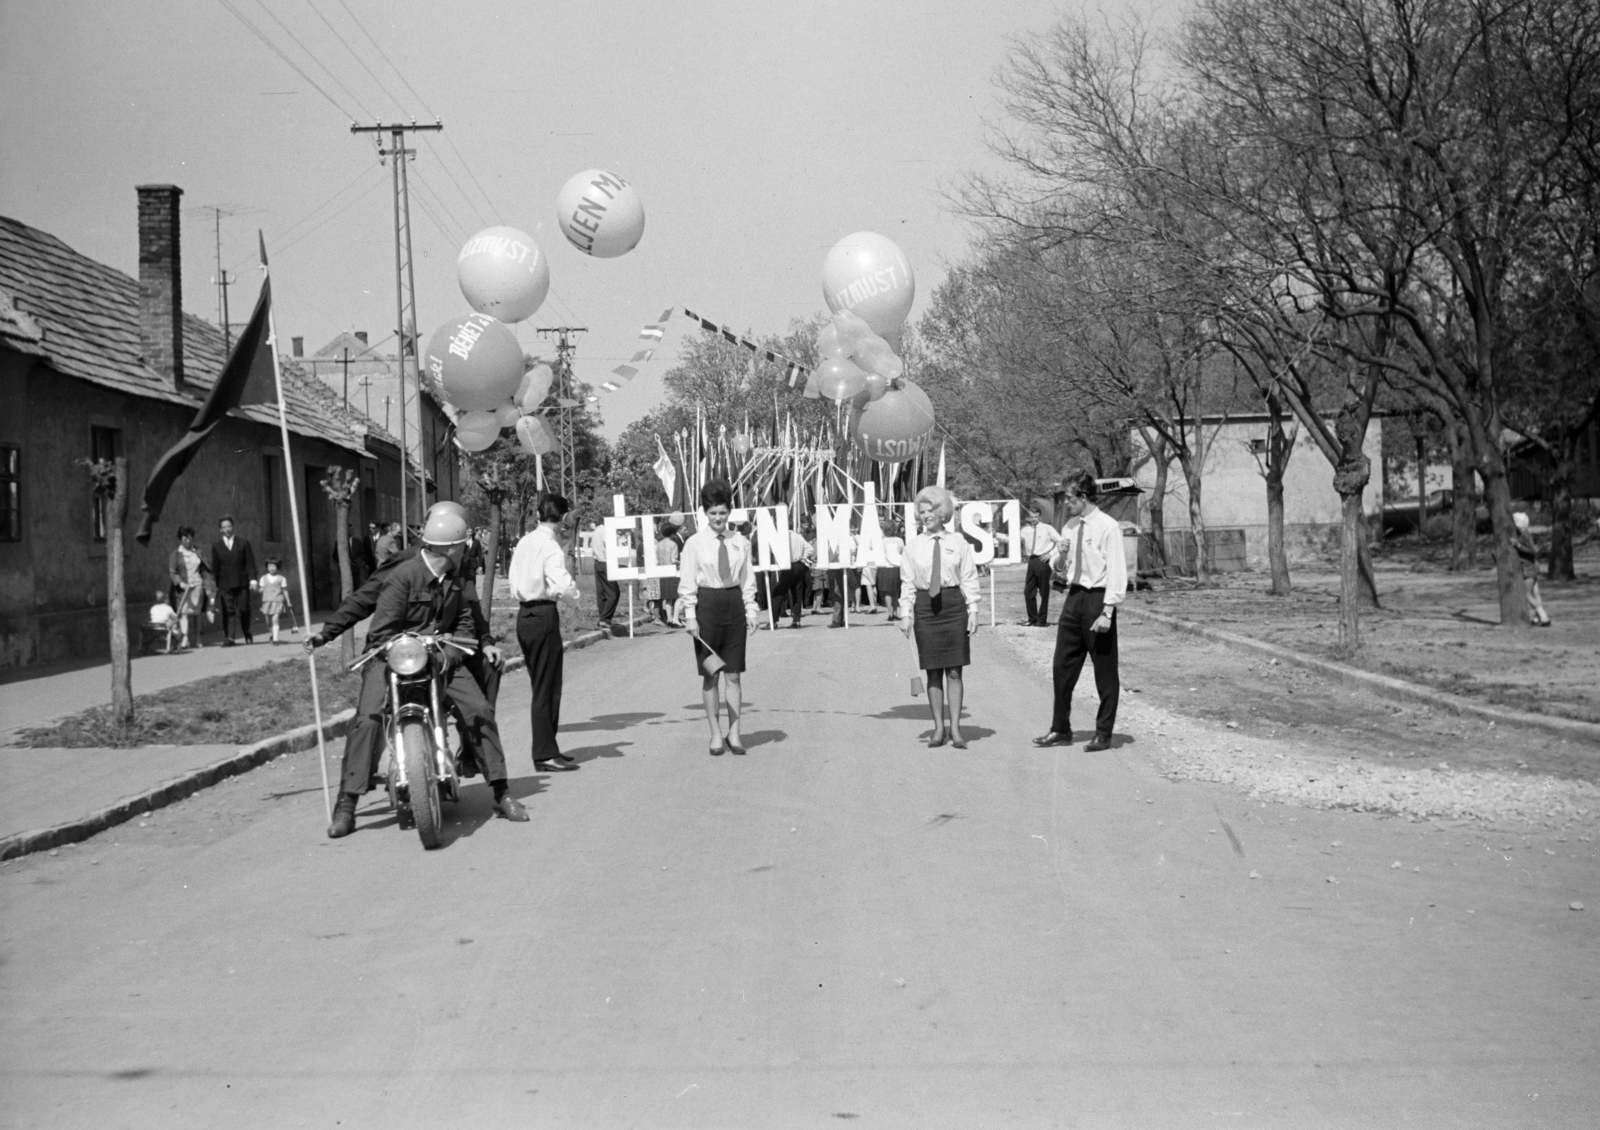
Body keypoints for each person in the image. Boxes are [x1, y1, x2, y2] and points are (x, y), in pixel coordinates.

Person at [310, 507, 526, 838]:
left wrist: (454, 652)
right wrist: (327, 633)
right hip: (393, 658)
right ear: (452, 545)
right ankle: (347, 803)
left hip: (440, 660)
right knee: (368, 719)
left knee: (479, 710)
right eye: (465, 542)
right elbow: (376, 623)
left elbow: (468, 619)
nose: (467, 547)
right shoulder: (402, 573)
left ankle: (501, 790)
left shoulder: (455, 577)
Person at [1034, 471, 1127, 753]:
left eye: (1069, 498)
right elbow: (1060, 569)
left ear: (1084, 497)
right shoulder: (1070, 527)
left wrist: (1108, 611)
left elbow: (1117, 571)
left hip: (1098, 600)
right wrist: (1060, 555)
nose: (1065, 504)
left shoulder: (1108, 527)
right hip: (1074, 598)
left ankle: (1103, 733)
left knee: (1104, 671)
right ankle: (1060, 729)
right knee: (1062, 666)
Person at [680, 479, 759, 755]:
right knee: (711, 675)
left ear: (729, 512)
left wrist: (751, 609)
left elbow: (747, 578)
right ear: (705, 512)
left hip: (733, 606)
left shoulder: (740, 542)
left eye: (722, 513)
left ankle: (734, 733)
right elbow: (688, 581)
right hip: (708, 609)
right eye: (713, 513)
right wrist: (690, 615)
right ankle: (715, 733)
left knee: (734, 676)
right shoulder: (694, 543)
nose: (718, 518)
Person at [899, 486, 981, 748]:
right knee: (933, 672)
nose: (925, 516)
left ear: (942, 512)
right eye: (921, 512)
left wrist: (974, 610)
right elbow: (907, 583)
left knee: (954, 672)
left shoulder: (958, 543)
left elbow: (969, 577)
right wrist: (906, 614)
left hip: (953, 606)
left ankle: (956, 730)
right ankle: (938, 729)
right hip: (925, 608)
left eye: (930, 511)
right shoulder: (913, 547)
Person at [508, 494, 583, 773]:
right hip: (543, 615)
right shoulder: (550, 546)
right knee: (546, 687)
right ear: (563, 518)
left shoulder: (526, 541)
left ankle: (549, 747)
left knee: (544, 684)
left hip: (525, 615)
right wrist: (575, 599)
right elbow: (562, 585)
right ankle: (544, 753)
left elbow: (517, 577)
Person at [209, 516, 258, 645]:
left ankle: (247, 632)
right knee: (228, 610)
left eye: (229, 526)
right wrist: (213, 587)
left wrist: (253, 579)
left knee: (243, 608)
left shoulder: (243, 542)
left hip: (241, 582)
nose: (227, 529)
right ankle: (230, 637)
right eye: (224, 527)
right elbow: (215, 568)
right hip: (225, 584)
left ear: (233, 527)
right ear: (220, 530)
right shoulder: (216, 546)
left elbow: (250, 563)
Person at [167, 526, 213, 649]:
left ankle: (198, 638)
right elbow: (173, 572)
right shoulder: (176, 554)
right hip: (183, 588)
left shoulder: (198, 552)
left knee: (196, 614)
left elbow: (205, 570)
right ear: (180, 539)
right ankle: (185, 638)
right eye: (184, 539)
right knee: (183, 613)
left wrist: (208, 586)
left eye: (189, 538)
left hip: (197, 586)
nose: (187, 541)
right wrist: (180, 583)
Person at [1019, 504, 1060, 627]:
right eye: (1031, 517)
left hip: (1043, 561)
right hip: (1031, 561)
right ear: (1028, 518)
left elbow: (1060, 541)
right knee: (1028, 591)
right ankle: (1032, 618)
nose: (1033, 519)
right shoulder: (1025, 530)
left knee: (1043, 591)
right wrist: (996, 535)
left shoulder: (1047, 528)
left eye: (1036, 517)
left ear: (1040, 517)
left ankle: (1042, 620)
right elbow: (1013, 540)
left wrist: (1050, 554)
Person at [1512, 511, 1552, 626]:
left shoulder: (1525, 535)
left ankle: (1544, 617)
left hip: (1529, 567)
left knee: (1526, 594)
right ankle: (1537, 618)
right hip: (1532, 566)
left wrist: (1518, 546)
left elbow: (1534, 551)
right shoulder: (1524, 533)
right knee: (1535, 592)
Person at [590, 520, 622, 632]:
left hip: (597, 562)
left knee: (602, 593)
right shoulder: (605, 531)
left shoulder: (596, 531)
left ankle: (603, 618)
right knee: (614, 593)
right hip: (606, 562)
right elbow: (610, 545)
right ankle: (605, 619)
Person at [655, 518, 683, 627]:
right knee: (676, 596)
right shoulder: (673, 544)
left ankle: (669, 619)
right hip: (671, 572)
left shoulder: (659, 544)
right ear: (672, 533)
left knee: (667, 598)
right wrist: (682, 561)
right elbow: (673, 560)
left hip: (662, 572)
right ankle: (673, 619)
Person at [257, 558, 292, 643]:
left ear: (277, 567)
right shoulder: (263, 578)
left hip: (278, 601)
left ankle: (275, 639)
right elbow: (261, 589)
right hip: (267, 601)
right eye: (269, 566)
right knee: (268, 622)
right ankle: (272, 634)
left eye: (273, 566)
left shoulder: (281, 578)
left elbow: (284, 590)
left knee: (275, 620)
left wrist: (288, 601)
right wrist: (256, 590)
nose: (271, 568)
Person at [879, 518, 905, 621]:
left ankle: (890, 612)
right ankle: (895, 612)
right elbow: (902, 552)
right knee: (896, 591)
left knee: (887, 592)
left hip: (886, 567)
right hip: (897, 568)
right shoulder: (900, 540)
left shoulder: (882, 541)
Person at [146, 588, 179, 652]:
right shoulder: (168, 608)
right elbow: (176, 618)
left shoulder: (153, 608)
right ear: (165, 600)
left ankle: (145, 647)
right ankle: (174, 646)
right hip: (165, 630)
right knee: (177, 630)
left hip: (154, 629)